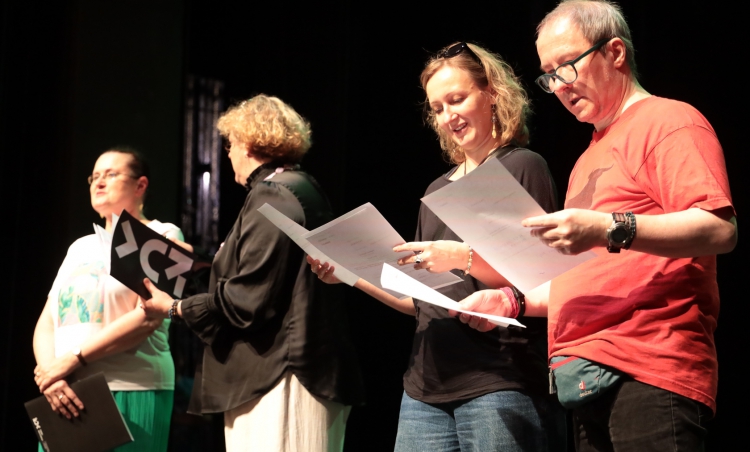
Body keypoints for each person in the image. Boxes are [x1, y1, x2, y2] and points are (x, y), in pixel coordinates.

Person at [455, 0, 738, 451]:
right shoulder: (589, 156)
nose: (559, 86)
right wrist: (510, 301)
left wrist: (607, 227)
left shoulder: (669, 120)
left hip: (648, 368)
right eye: (549, 75)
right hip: (584, 377)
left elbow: (719, 229)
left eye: (567, 65)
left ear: (615, 52)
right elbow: (588, 278)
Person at [311, 42, 566, 451]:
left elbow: (542, 278)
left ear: (492, 93)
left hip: (499, 379)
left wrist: (463, 257)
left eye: (457, 99)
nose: (448, 116)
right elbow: (418, 302)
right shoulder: (436, 190)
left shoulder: (522, 166)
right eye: (438, 108)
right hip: (424, 390)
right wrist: (350, 273)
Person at [142, 94, 365, 452]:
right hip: (284, 372)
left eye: (230, 144)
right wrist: (202, 261)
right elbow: (267, 272)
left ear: (247, 143)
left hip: (283, 375)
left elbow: (249, 299)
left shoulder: (274, 194)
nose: (228, 153)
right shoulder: (293, 186)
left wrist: (174, 308)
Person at [33, 147, 181, 452]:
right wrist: (51, 374)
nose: (99, 182)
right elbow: (48, 321)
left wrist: (72, 359)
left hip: (131, 387)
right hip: (64, 390)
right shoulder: (80, 247)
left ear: (140, 185)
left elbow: (148, 316)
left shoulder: (163, 234)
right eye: (94, 177)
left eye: (111, 174)